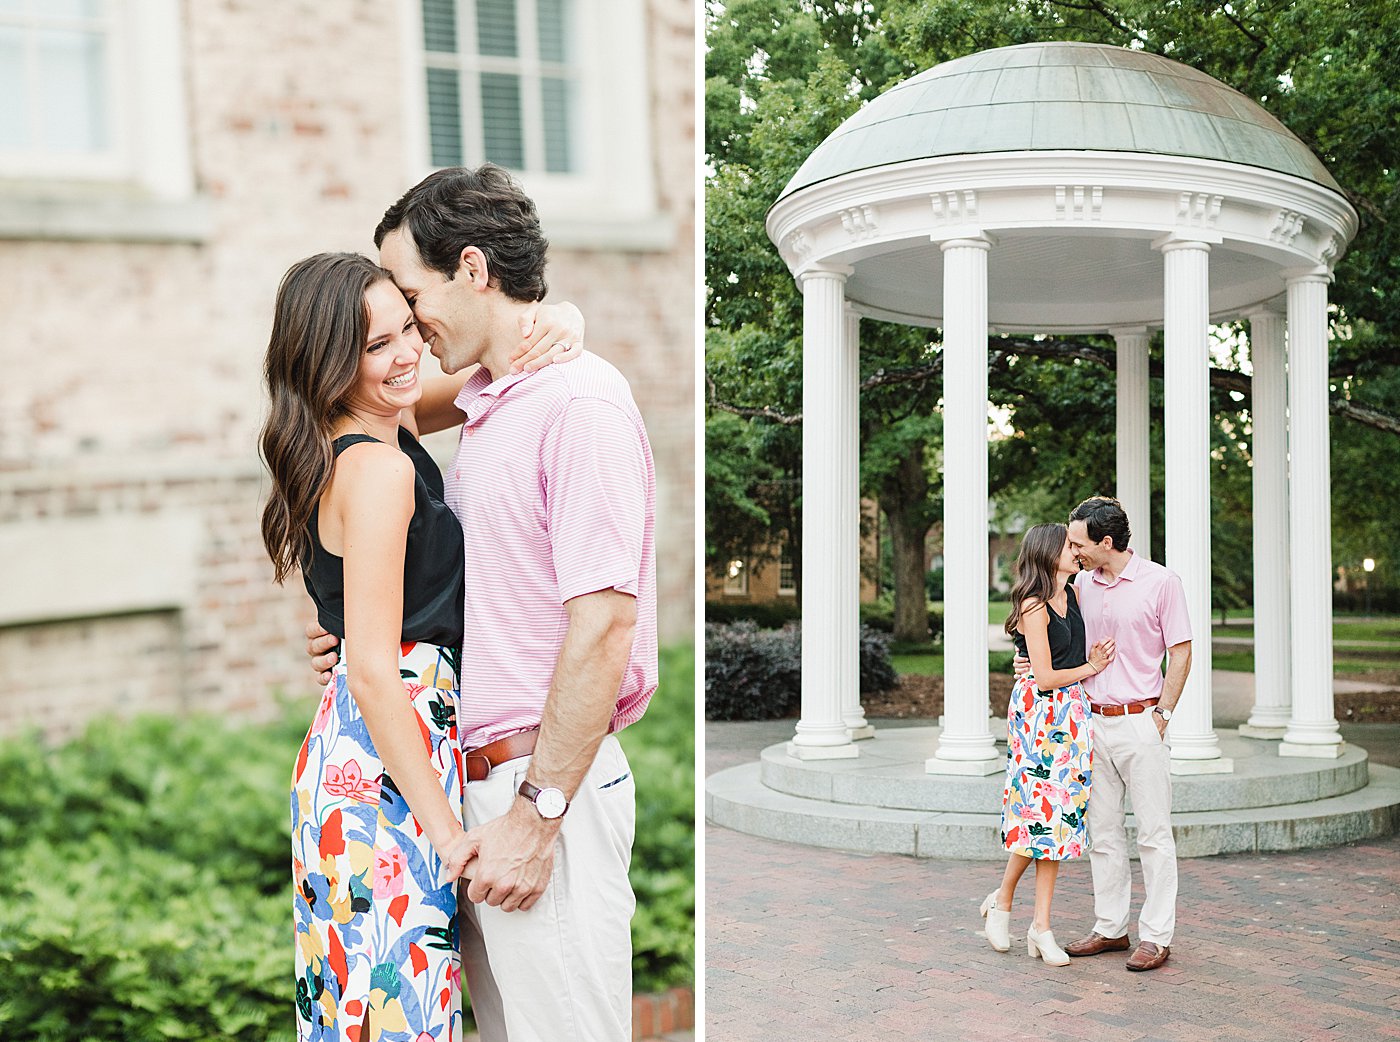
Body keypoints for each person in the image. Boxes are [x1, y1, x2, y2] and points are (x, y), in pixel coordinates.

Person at [308, 164, 658, 1042]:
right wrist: (358, 632)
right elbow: (358, 417)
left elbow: (606, 623)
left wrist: (537, 819)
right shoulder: (491, 398)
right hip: (469, 796)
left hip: (539, 792)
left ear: (471, 269)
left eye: (412, 295)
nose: (411, 327)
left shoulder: (579, 401)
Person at [259, 251, 585, 1040]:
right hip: (385, 772)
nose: (407, 352)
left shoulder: (373, 430)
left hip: (368, 756)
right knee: (391, 1017)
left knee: (368, 1014)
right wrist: (449, 838)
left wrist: (563, 321)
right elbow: (372, 670)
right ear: (329, 361)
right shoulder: (376, 469)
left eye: (407, 325)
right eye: (376, 345)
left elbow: (482, 379)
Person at [1013, 496, 1192, 972]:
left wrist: (1163, 714)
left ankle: (1157, 936)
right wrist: (1027, 661)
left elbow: (1182, 651)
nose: (1071, 550)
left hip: (1142, 721)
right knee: (1104, 833)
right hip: (1086, 723)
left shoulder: (1161, 582)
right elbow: (1050, 634)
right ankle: (1110, 927)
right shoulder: (1078, 587)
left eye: (1077, 541)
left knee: (1153, 834)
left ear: (1105, 542)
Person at [983, 523, 1114, 966]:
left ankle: (1039, 925)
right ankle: (1004, 904)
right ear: (1047, 552)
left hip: (1071, 714)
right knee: (1037, 815)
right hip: (1040, 715)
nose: (1075, 551)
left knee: (1057, 821)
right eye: (1068, 546)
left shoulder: (1072, 593)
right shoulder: (1032, 603)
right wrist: (1091, 666)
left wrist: (1082, 669)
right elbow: (1042, 677)